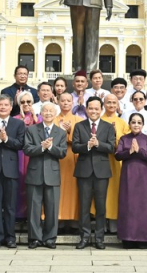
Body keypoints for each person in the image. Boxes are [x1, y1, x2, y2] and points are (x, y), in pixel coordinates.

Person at [72, 96, 116, 249]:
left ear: (101, 109)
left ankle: (99, 238)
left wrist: (98, 144)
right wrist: (88, 146)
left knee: (100, 207)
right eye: (91, 108)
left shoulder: (108, 126)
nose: (93, 111)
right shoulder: (79, 126)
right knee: (83, 206)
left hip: (102, 172)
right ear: (86, 109)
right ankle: (84, 237)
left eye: (96, 108)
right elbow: (75, 147)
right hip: (84, 171)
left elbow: (111, 147)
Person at [0, 94, 26, 248]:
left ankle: (10, 237)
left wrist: (6, 138)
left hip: (11, 169)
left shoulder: (18, 124)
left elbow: (20, 144)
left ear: (10, 107)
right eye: (0, 104)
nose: (3, 107)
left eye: (6, 105)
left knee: (10, 205)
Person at [23, 102, 67, 249]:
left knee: (52, 208)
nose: (48, 113)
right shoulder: (32, 130)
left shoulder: (60, 132)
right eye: (45, 111)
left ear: (55, 114)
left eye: (51, 111)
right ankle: (34, 238)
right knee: (33, 209)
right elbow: (27, 149)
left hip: (52, 175)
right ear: (40, 113)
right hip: (35, 174)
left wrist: (51, 147)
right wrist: (42, 147)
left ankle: (50, 238)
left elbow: (62, 153)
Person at [115, 112, 147, 248]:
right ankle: (127, 238)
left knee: (142, 206)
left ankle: (143, 238)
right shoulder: (123, 138)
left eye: (139, 122)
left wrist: (139, 151)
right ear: (129, 124)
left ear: (143, 125)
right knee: (128, 205)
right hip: (127, 175)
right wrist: (130, 152)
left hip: (142, 176)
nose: (136, 125)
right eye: (133, 122)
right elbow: (118, 155)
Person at [100, 94, 129, 231]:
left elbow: (125, 142)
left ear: (117, 105)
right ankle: (102, 222)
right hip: (102, 159)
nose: (111, 105)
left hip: (117, 162)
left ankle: (113, 224)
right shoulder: (99, 120)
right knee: (102, 192)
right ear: (103, 104)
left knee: (115, 192)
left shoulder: (122, 123)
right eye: (108, 102)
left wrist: (115, 135)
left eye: (113, 103)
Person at [55, 92, 82, 225]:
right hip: (58, 160)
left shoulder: (79, 121)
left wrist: (71, 131)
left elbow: (82, 140)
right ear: (58, 102)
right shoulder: (53, 120)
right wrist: (60, 132)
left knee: (74, 190)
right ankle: (58, 219)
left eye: (68, 101)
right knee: (58, 190)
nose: (65, 103)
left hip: (74, 159)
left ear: (73, 103)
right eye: (63, 100)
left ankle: (74, 221)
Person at [14, 91, 39, 221]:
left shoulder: (39, 118)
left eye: (28, 102)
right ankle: (19, 213)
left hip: (34, 155)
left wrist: (34, 119)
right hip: (20, 155)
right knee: (20, 183)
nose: (26, 104)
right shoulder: (15, 119)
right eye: (22, 102)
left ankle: (32, 213)